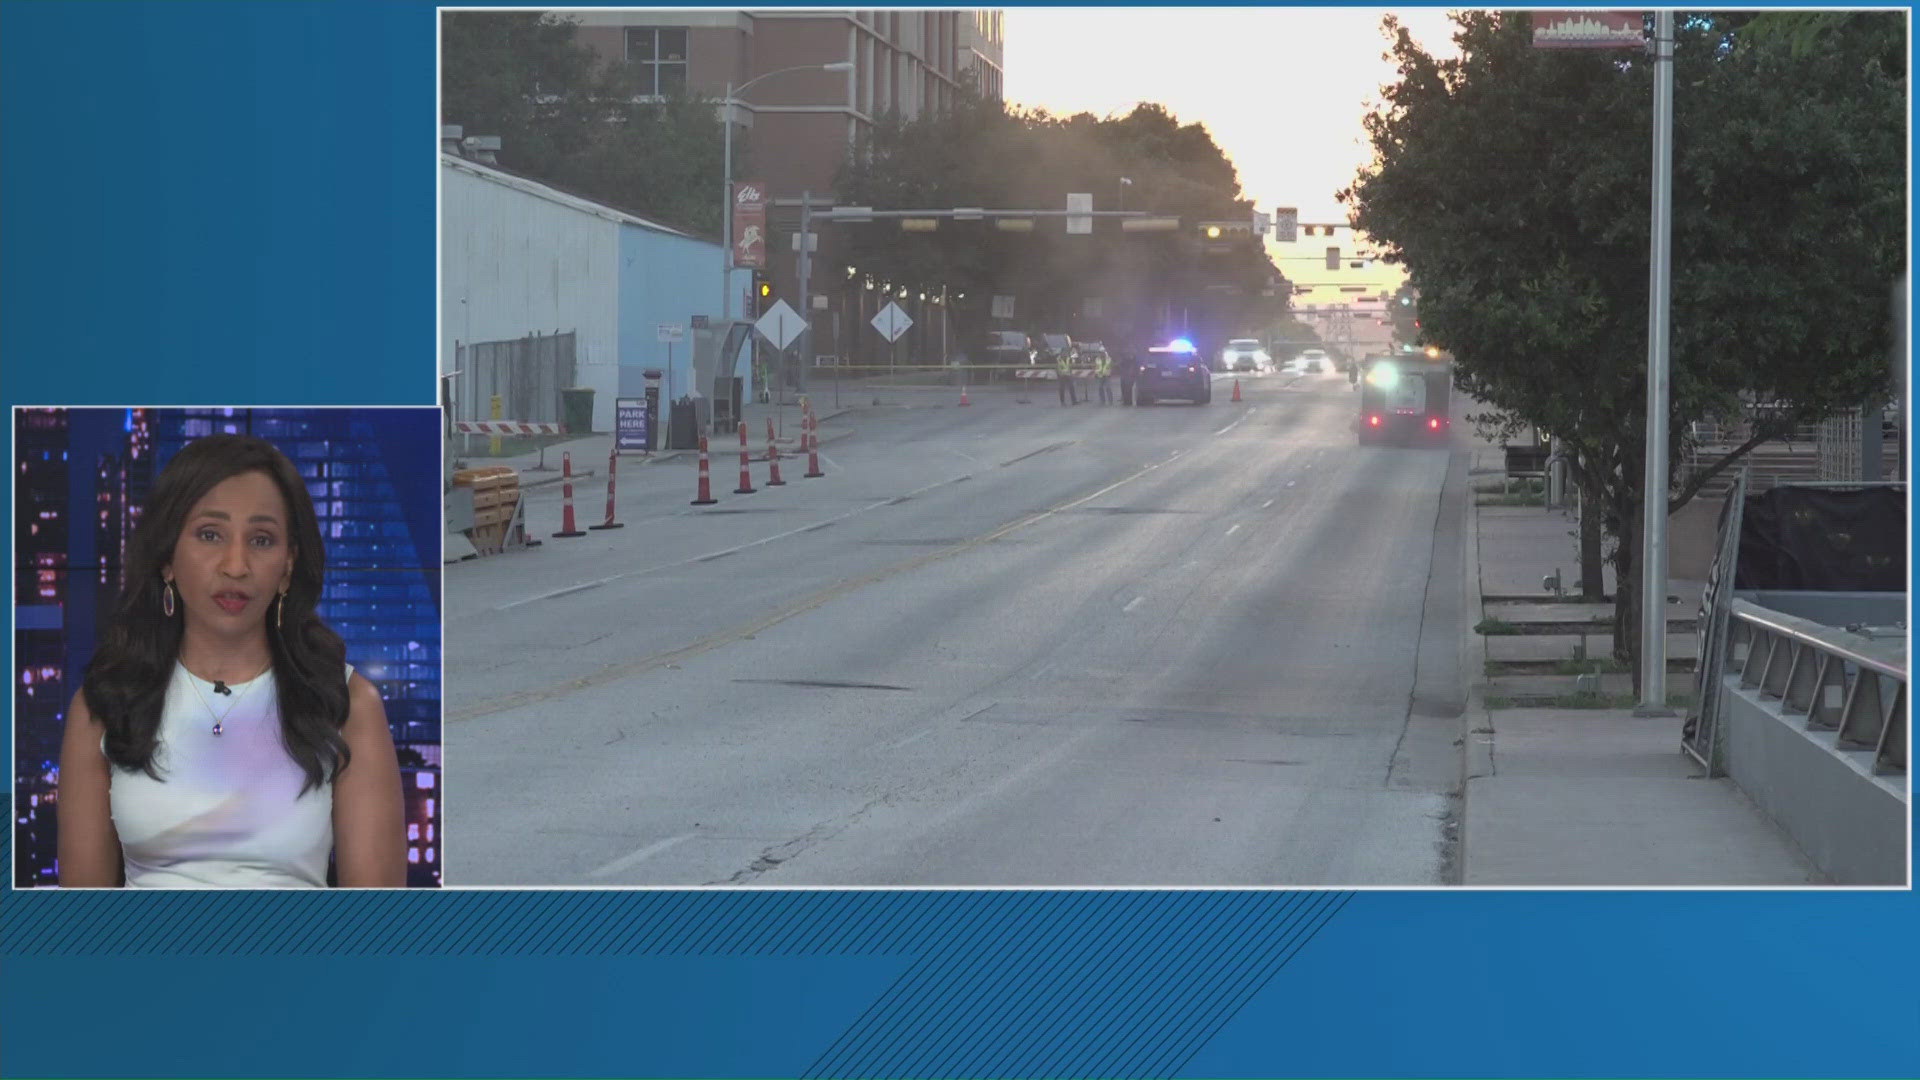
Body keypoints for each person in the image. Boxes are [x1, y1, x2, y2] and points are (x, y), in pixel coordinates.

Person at [58, 435, 407, 888]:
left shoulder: (348, 703)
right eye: (210, 535)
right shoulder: (103, 705)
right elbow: (82, 928)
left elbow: (376, 929)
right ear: (167, 558)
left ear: (287, 565)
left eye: (261, 540)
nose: (236, 565)